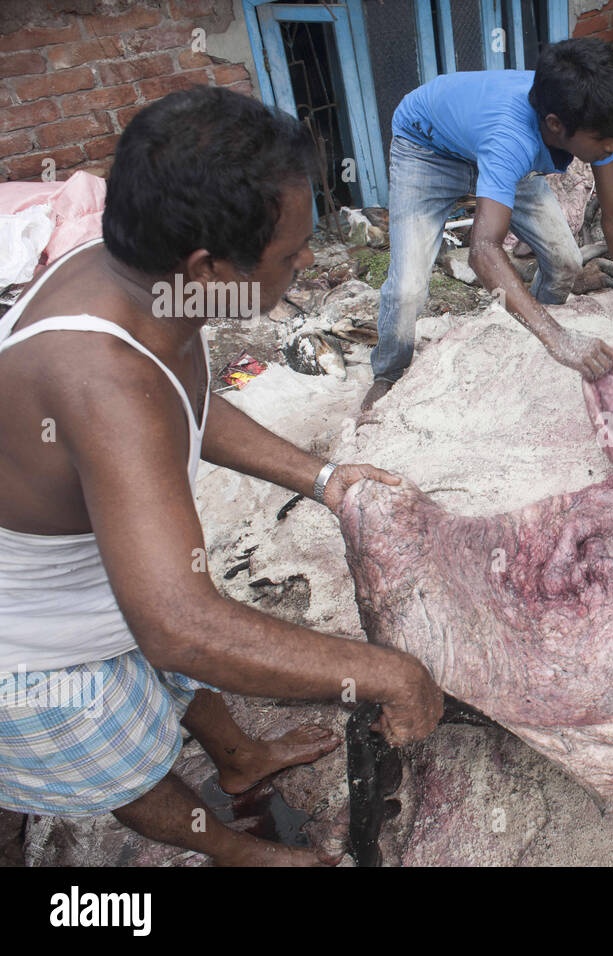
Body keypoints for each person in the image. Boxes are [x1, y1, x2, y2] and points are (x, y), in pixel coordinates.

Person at [0, 87, 442, 866]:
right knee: (126, 771)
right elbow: (178, 628)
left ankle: (240, 757)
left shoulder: (140, 282)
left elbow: (187, 403)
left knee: (176, 670)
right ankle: (241, 855)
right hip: (32, 652)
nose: (306, 264)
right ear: (209, 265)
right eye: (290, 254)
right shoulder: (99, 376)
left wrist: (324, 477)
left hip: (104, 584)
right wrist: (390, 674)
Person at [361, 37, 613, 412]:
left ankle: (529, 334)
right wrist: (561, 339)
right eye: (603, 140)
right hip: (428, 149)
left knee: (566, 262)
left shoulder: (586, 112)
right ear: (555, 125)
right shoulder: (510, 137)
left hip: (499, 152)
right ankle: (388, 373)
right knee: (407, 289)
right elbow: (482, 251)